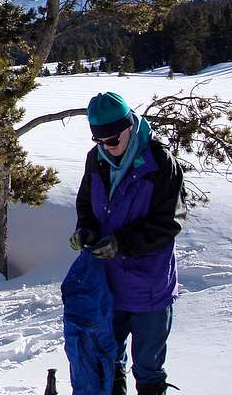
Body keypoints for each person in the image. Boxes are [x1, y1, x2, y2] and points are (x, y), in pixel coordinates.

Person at [70, 92, 185, 395]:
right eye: (99, 141)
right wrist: (86, 230)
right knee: (109, 361)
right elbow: (85, 203)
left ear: (130, 126)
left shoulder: (160, 162)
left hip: (149, 285)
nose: (107, 147)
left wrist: (122, 243)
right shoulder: (96, 160)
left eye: (112, 140)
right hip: (108, 286)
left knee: (148, 368)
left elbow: (169, 222)